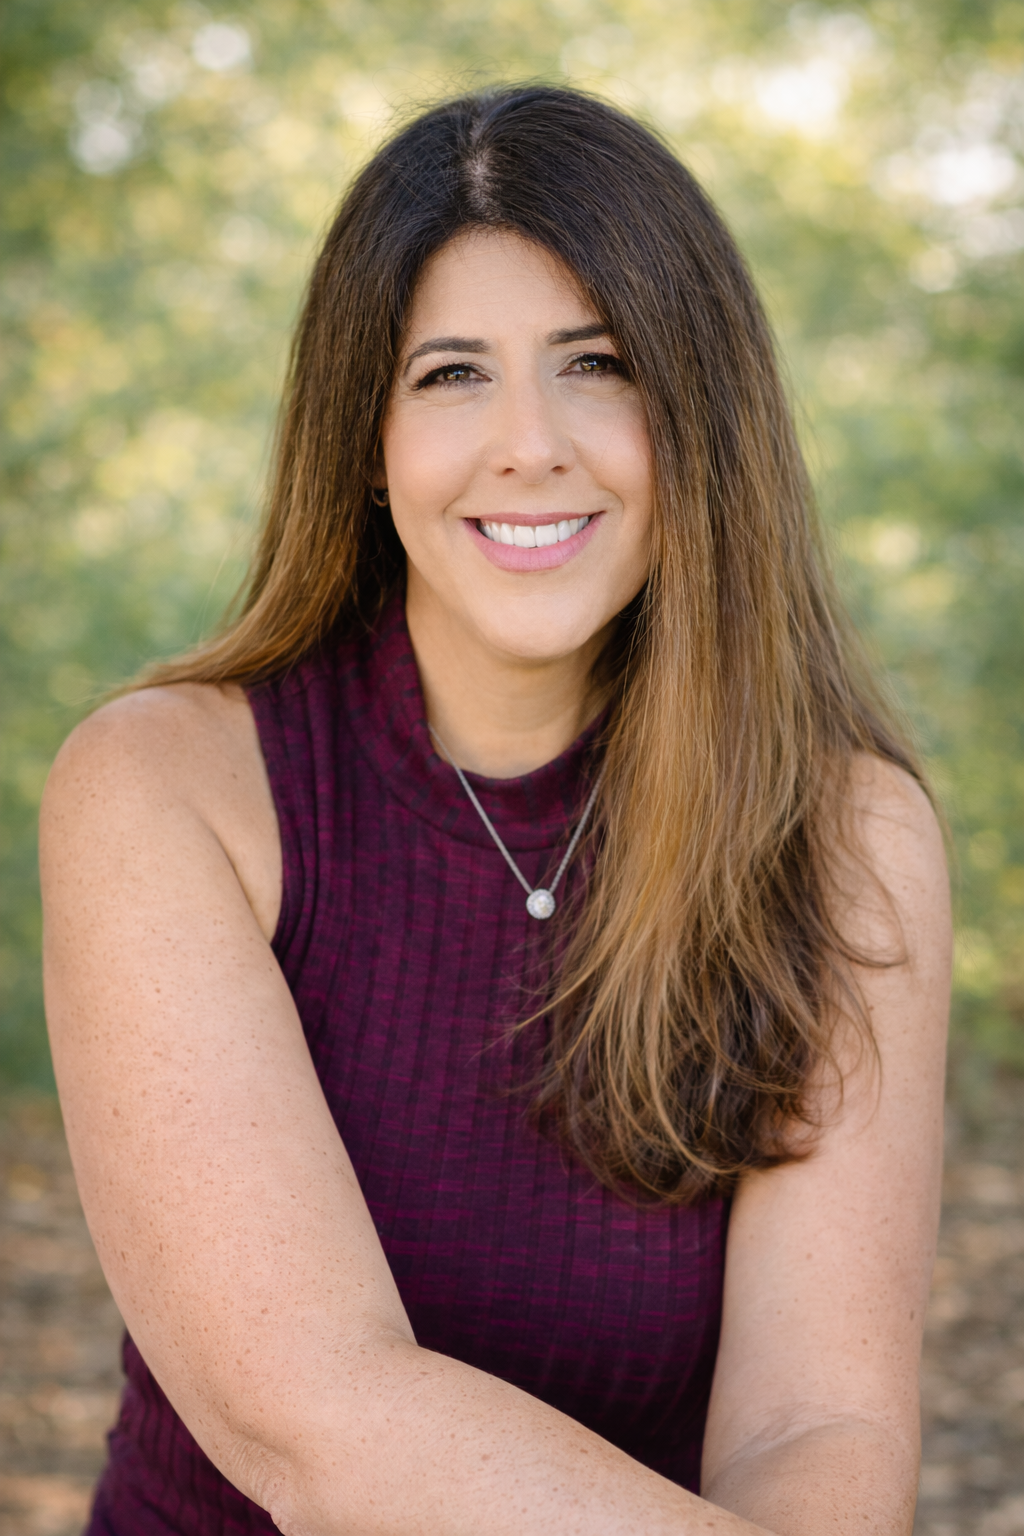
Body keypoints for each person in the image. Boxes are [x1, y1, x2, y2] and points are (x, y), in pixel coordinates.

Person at [41, 84, 951, 1536]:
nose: (529, 444)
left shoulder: (845, 840)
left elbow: (819, 1420)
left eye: (597, 364)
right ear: (366, 439)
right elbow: (316, 1419)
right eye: (452, 374)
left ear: (701, 419)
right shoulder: (165, 789)